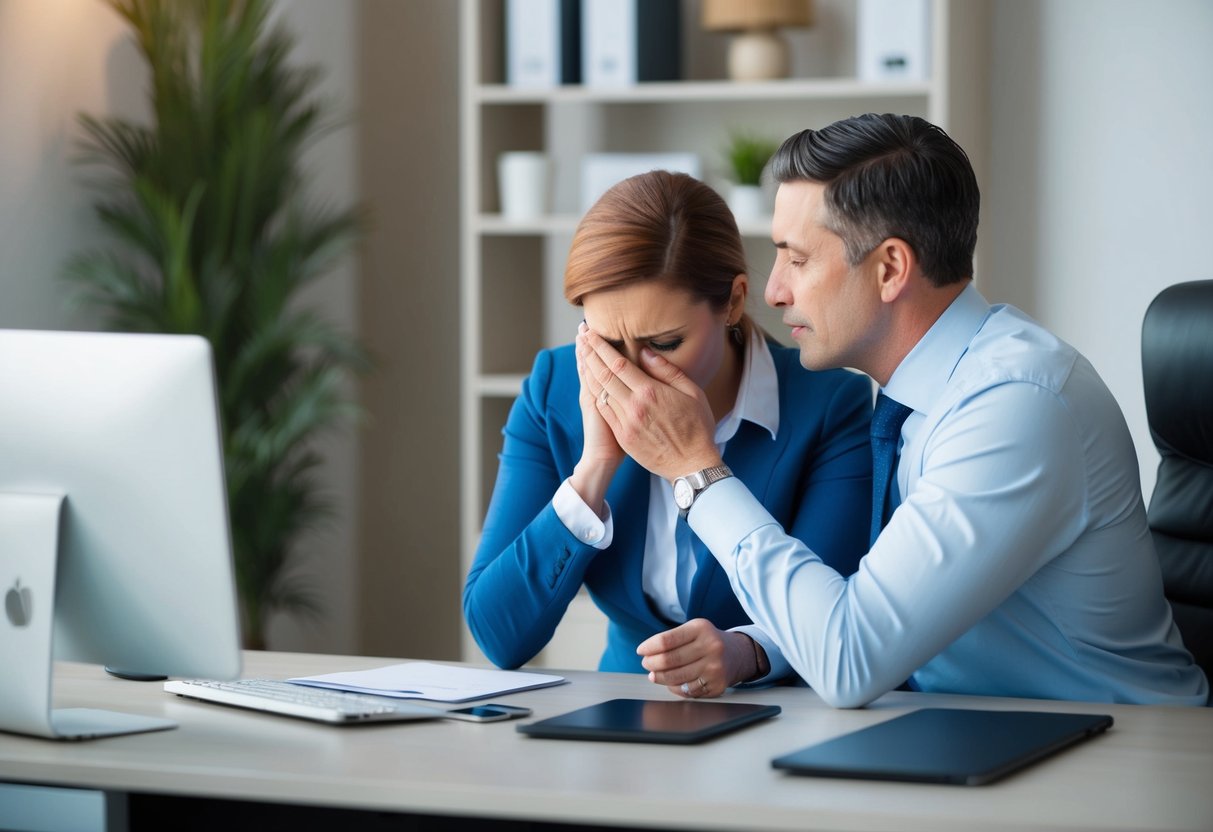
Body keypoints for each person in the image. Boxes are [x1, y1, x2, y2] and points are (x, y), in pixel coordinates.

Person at [576, 114, 1210, 707]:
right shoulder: (914, 396)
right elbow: (869, 604)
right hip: (976, 733)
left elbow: (851, 658)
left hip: (1118, 756)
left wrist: (696, 469)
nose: (772, 290)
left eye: (797, 259)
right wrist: (755, 650)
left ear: (889, 269)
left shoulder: (1014, 406)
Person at [464, 170, 873, 697]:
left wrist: (746, 651)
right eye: (608, 343)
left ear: (732, 302)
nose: (632, 374)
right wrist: (593, 471)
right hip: (621, 713)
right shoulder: (554, 390)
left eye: (665, 342)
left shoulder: (828, 405)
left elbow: (834, 612)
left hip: (777, 717)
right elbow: (498, 635)